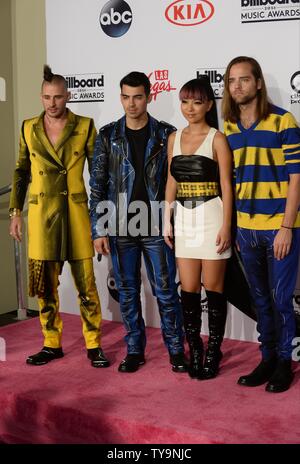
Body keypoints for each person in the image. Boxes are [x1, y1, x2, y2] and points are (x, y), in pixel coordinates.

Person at [9, 65, 110, 368]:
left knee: (87, 286)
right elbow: (21, 171)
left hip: (76, 214)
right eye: (46, 97)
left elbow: (99, 178)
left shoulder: (85, 126)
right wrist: (16, 212)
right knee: (44, 287)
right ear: (40, 97)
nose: (52, 103)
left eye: (57, 97)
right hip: (41, 217)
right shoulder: (28, 127)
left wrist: (100, 223)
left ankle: (93, 344)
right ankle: (51, 343)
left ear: (68, 96)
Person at [89, 71, 186, 373]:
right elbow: (97, 186)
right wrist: (98, 228)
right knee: (128, 292)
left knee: (166, 290)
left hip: (156, 224)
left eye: (138, 97)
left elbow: (176, 181)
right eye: (126, 97)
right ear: (120, 97)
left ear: (149, 96)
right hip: (121, 226)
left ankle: (175, 349)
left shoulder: (166, 134)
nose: (131, 104)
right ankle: (134, 349)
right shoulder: (107, 135)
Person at [222, 56, 300, 392]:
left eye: (243, 79)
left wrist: (286, 226)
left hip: (280, 228)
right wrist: (236, 226)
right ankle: (267, 358)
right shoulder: (227, 127)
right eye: (231, 81)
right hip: (247, 229)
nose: (236, 86)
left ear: (257, 83)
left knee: (282, 299)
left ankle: (285, 362)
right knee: (260, 300)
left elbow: (297, 178)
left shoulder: (284, 122)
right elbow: (232, 181)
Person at [164, 77, 233, 380]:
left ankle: (214, 350)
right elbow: (171, 181)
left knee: (214, 290)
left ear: (208, 105)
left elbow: (227, 187)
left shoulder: (217, 138)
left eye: (196, 102)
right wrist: (166, 218)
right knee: (189, 290)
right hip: (183, 218)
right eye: (184, 101)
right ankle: (195, 348)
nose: (189, 108)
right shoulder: (173, 138)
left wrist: (227, 225)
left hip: (212, 217)